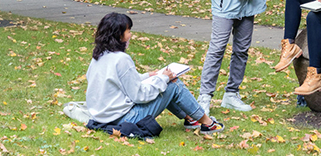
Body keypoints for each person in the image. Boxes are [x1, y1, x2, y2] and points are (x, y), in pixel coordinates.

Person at [85, 13, 224, 135]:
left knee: (164, 82)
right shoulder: (121, 59)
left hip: (102, 118)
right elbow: (139, 95)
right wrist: (162, 79)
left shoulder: (99, 56)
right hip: (123, 119)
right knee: (173, 84)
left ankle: (190, 118)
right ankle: (208, 123)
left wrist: (148, 76)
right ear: (118, 35)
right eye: (128, 31)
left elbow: (122, 81)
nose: (131, 35)